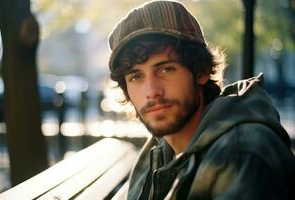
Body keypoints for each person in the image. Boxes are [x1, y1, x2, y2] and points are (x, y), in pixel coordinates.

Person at [108, 1, 295, 199]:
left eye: (166, 69)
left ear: (202, 71)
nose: (152, 92)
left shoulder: (242, 153)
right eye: (136, 77)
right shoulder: (159, 152)